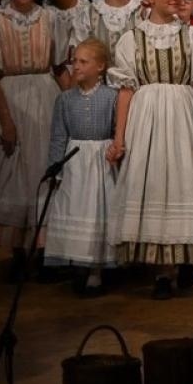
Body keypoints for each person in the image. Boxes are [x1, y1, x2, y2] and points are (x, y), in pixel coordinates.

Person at [107, 0, 193, 299]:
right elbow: (126, 90)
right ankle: (161, 272)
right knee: (155, 181)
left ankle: (182, 259)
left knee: (183, 182)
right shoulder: (132, 38)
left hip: (183, 115)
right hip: (147, 117)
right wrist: (120, 136)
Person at [0, 0, 69, 273]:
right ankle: (17, 252)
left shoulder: (50, 18)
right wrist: (6, 120)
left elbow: (59, 66)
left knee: (43, 172)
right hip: (11, 99)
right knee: (14, 175)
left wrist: (72, 107)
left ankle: (43, 250)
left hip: (46, 99)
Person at [44, 39, 120, 296]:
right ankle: (78, 263)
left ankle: (96, 270)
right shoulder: (65, 99)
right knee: (75, 210)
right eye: (74, 61)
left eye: (83, 61)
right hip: (75, 164)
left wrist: (116, 151)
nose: (76, 66)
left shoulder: (111, 97)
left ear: (100, 66)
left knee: (97, 212)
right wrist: (55, 168)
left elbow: (117, 131)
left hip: (100, 164)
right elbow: (58, 136)